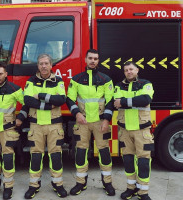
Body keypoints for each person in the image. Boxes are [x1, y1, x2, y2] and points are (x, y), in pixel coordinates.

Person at [66, 49, 115, 196]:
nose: (93, 61)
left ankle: (107, 183)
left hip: (100, 121)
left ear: (98, 61)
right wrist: (77, 114)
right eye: (90, 58)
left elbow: (110, 101)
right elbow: (69, 99)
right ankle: (81, 183)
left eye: (95, 58)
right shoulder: (76, 79)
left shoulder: (106, 79)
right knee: (80, 152)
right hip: (83, 122)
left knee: (104, 152)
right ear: (85, 60)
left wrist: (106, 120)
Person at [23, 54, 67, 199]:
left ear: (51, 65)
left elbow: (61, 99)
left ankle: (58, 184)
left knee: (55, 155)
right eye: (41, 63)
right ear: (38, 66)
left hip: (55, 126)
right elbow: (28, 100)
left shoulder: (58, 81)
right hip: (36, 125)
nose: (43, 66)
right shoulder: (31, 81)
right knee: (35, 156)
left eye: (46, 63)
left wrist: (40, 95)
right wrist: (49, 105)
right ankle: (34, 186)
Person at [0, 62, 27, 200]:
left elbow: (27, 103)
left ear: (6, 74)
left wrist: (20, 118)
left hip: (7, 130)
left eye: (0, 74)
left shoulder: (14, 89)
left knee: (8, 159)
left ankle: (8, 188)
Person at [114, 61, 154, 200]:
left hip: (141, 130)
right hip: (125, 130)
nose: (129, 72)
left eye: (131, 69)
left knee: (143, 160)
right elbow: (115, 101)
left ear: (137, 70)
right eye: (126, 70)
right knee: (128, 160)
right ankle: (131, 188)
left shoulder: (146, 83)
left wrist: (124, 102)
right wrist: (131, 100)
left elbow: (145, 99)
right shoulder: (119, 86)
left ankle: (143, 192)